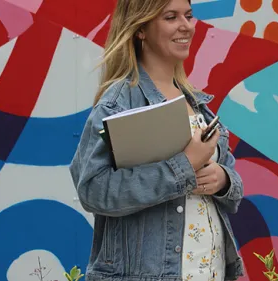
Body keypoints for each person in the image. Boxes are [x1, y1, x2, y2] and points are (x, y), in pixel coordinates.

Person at [68, 0, 244, 280]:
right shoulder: (119, 103)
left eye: (188, 16)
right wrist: (185, 165)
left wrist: (223, 180)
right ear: (141, 29)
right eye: (171, 17)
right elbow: (92, 189)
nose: (185, 26)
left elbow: (233, 186)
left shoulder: (198, 104)